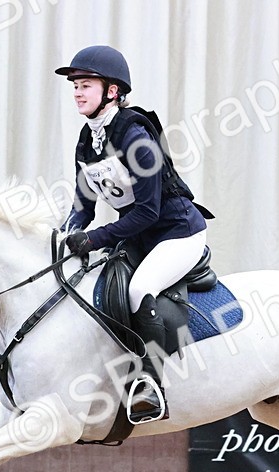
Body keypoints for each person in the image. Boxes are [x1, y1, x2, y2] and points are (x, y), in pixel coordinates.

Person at [57, 45, 208, 424]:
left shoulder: (136, 135)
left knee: (140, 289)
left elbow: (147, 210)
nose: (77, 91)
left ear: (111, 91)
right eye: (75, 84)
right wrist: (66, 235)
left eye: (85, 84)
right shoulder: (86, 139)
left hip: (177, 232)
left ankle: (149, 384)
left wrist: (94, 239)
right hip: (139, 234)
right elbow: (84, 204)